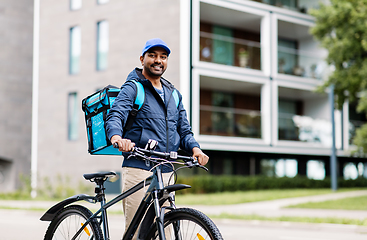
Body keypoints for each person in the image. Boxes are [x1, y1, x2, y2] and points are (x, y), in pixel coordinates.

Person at [105, 38, 209, 239]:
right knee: (137, 233)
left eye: (163, 57)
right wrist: (117, 137)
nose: (158, 60)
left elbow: (184, 131)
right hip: (139, 168)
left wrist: (196, 149)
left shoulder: (174, 95)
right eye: (152, 55)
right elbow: (116, 114)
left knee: (166, 231)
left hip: (167, 170)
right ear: (142, 59)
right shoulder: (134, 88)